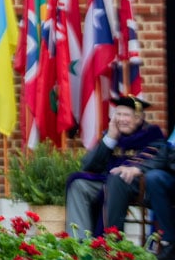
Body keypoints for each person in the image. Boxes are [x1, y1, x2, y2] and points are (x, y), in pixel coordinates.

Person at [65, 96, 166, 241]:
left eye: (127, 115)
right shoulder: (112, 134)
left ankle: (110, 241)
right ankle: (79, 242)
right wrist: (110, 139)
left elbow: (157, 159)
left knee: (116, 179)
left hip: (137, 184)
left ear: (139, 118)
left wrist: (134, 169)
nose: (121, 119)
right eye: (118, 114)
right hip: (109, 180)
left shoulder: (151, 134)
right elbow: (88, 166)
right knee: (78, 184)